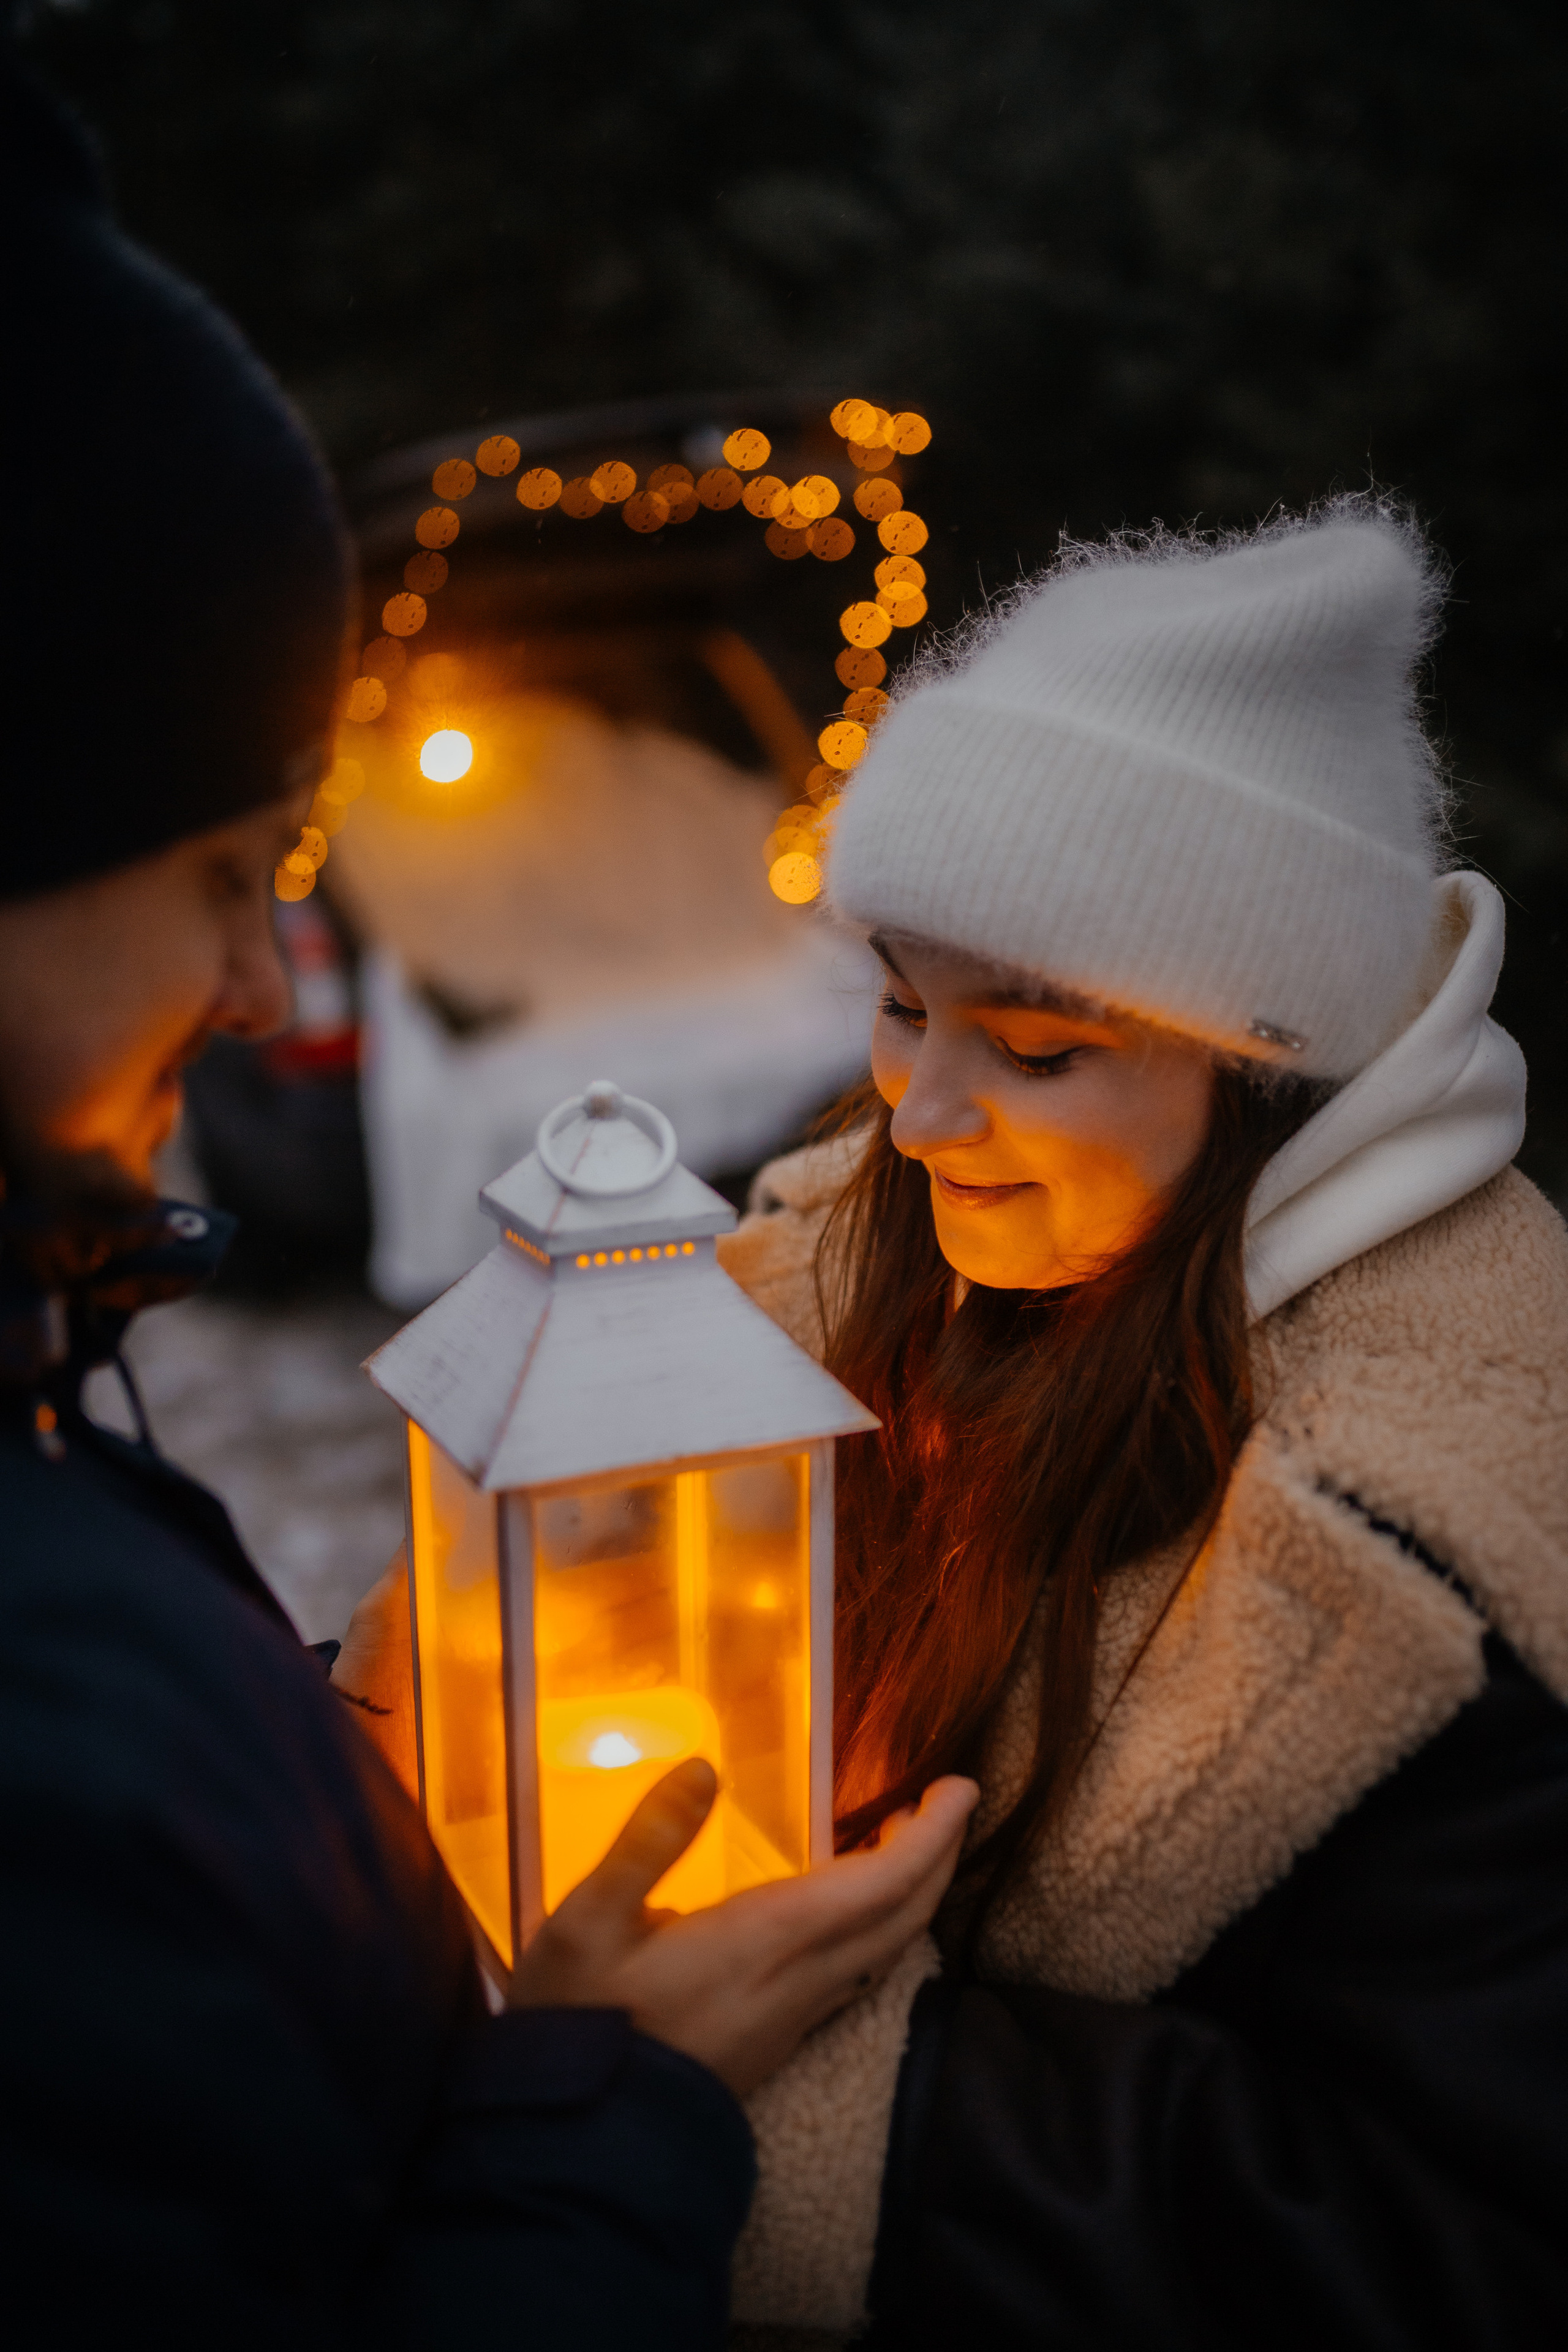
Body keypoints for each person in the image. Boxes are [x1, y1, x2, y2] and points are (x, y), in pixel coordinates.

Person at [0, 48, 975, 2348]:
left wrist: (333, 1746)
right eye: (220, 874)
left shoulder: (60, 1406)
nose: (261, 982)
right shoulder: (44, 1723)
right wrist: (613, 2103)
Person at [704, 509, 1568, 2344]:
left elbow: (1450, 2243)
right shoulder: (828, 1265)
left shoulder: (1418, 1567)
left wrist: (801, 2105)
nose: (918, 1120)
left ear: (1264, 1081)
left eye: (1038, 1052)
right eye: (901, 1007)